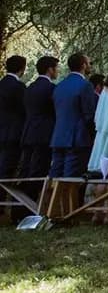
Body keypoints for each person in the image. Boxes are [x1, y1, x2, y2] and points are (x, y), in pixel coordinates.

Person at [50, 52, 97, 179]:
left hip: (58, 137)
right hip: (77, 139)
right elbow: (89, 115)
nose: (90, 66)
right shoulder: (86, 85)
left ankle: (51, 193)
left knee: (55, 176)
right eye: (89, 63)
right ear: (83, 65)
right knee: (71, 179)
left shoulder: (59, 86)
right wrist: (93, 135)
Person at [19, 56, 58, 200]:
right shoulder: (51, 89)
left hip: (28, 132)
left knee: (26, 169)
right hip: (44, 133)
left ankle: (22, 204)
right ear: (50, 70)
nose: (57, 71)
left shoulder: (29, 88)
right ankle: (33, 203)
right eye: (56, 68)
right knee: (39, 170)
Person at [0, 55, 27, 178]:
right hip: (13, 132)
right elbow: (23, 109)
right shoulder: (19, 87)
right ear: (22, 68)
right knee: (7, 167)